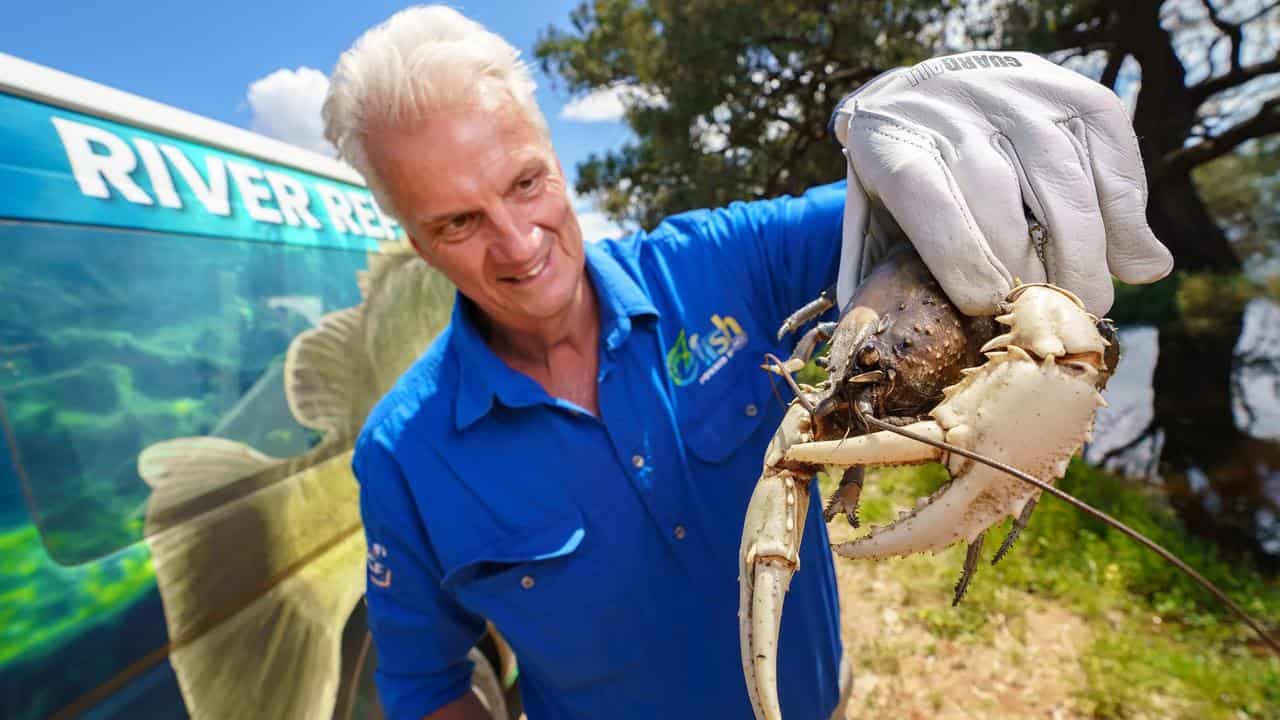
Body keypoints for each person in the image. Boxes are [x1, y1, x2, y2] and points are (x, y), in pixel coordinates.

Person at [321, 6, 1173, 719]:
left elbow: (920, 206)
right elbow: (426, 681)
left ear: (556, 155)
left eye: (525, 184)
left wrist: (925, 123)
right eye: (457, 223)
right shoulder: (402, 454)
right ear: (411, 239)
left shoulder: (727, 262)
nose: (517, 245)